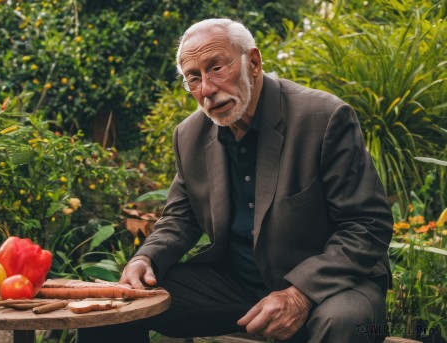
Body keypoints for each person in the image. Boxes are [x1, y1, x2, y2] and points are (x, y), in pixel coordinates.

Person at [78, 18, 393, 343]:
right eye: (194, 78)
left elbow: (367, 224)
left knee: (343, 324)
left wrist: (300, 293)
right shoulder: (189, 135)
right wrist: (146, 257)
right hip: (237, 285)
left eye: (216, 68)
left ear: (253, 62)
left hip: (331, 286)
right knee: (112, 310)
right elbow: (179, 218)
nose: (208, 89)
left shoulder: (323, 117)